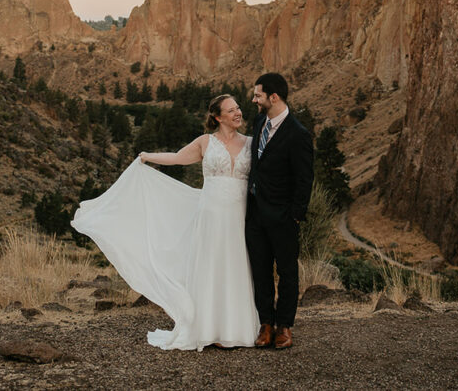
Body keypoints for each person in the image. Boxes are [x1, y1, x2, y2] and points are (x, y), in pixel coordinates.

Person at [70, 94, 260, 350]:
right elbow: (178, 157)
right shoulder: (206, 142)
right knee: (211, 266)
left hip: (239, 214)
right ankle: (207, 329)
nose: (238, 112)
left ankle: (235, 329)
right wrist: (148, 157)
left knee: (237, 265)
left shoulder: (251, 143)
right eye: (231, 109)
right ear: (217, 117)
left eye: (238, 108)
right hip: (211, 215)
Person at [246, 72, 313, 349]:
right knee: (260, 271)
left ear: (273, 97)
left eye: (258, 95)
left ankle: (284, 326)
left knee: (287, 273)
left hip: (284, 217)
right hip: (255, 214)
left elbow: (304, 179)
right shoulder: (259, 121)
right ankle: (265, 324)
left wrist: (295, 215)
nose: (254, 99)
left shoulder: (298, 134)